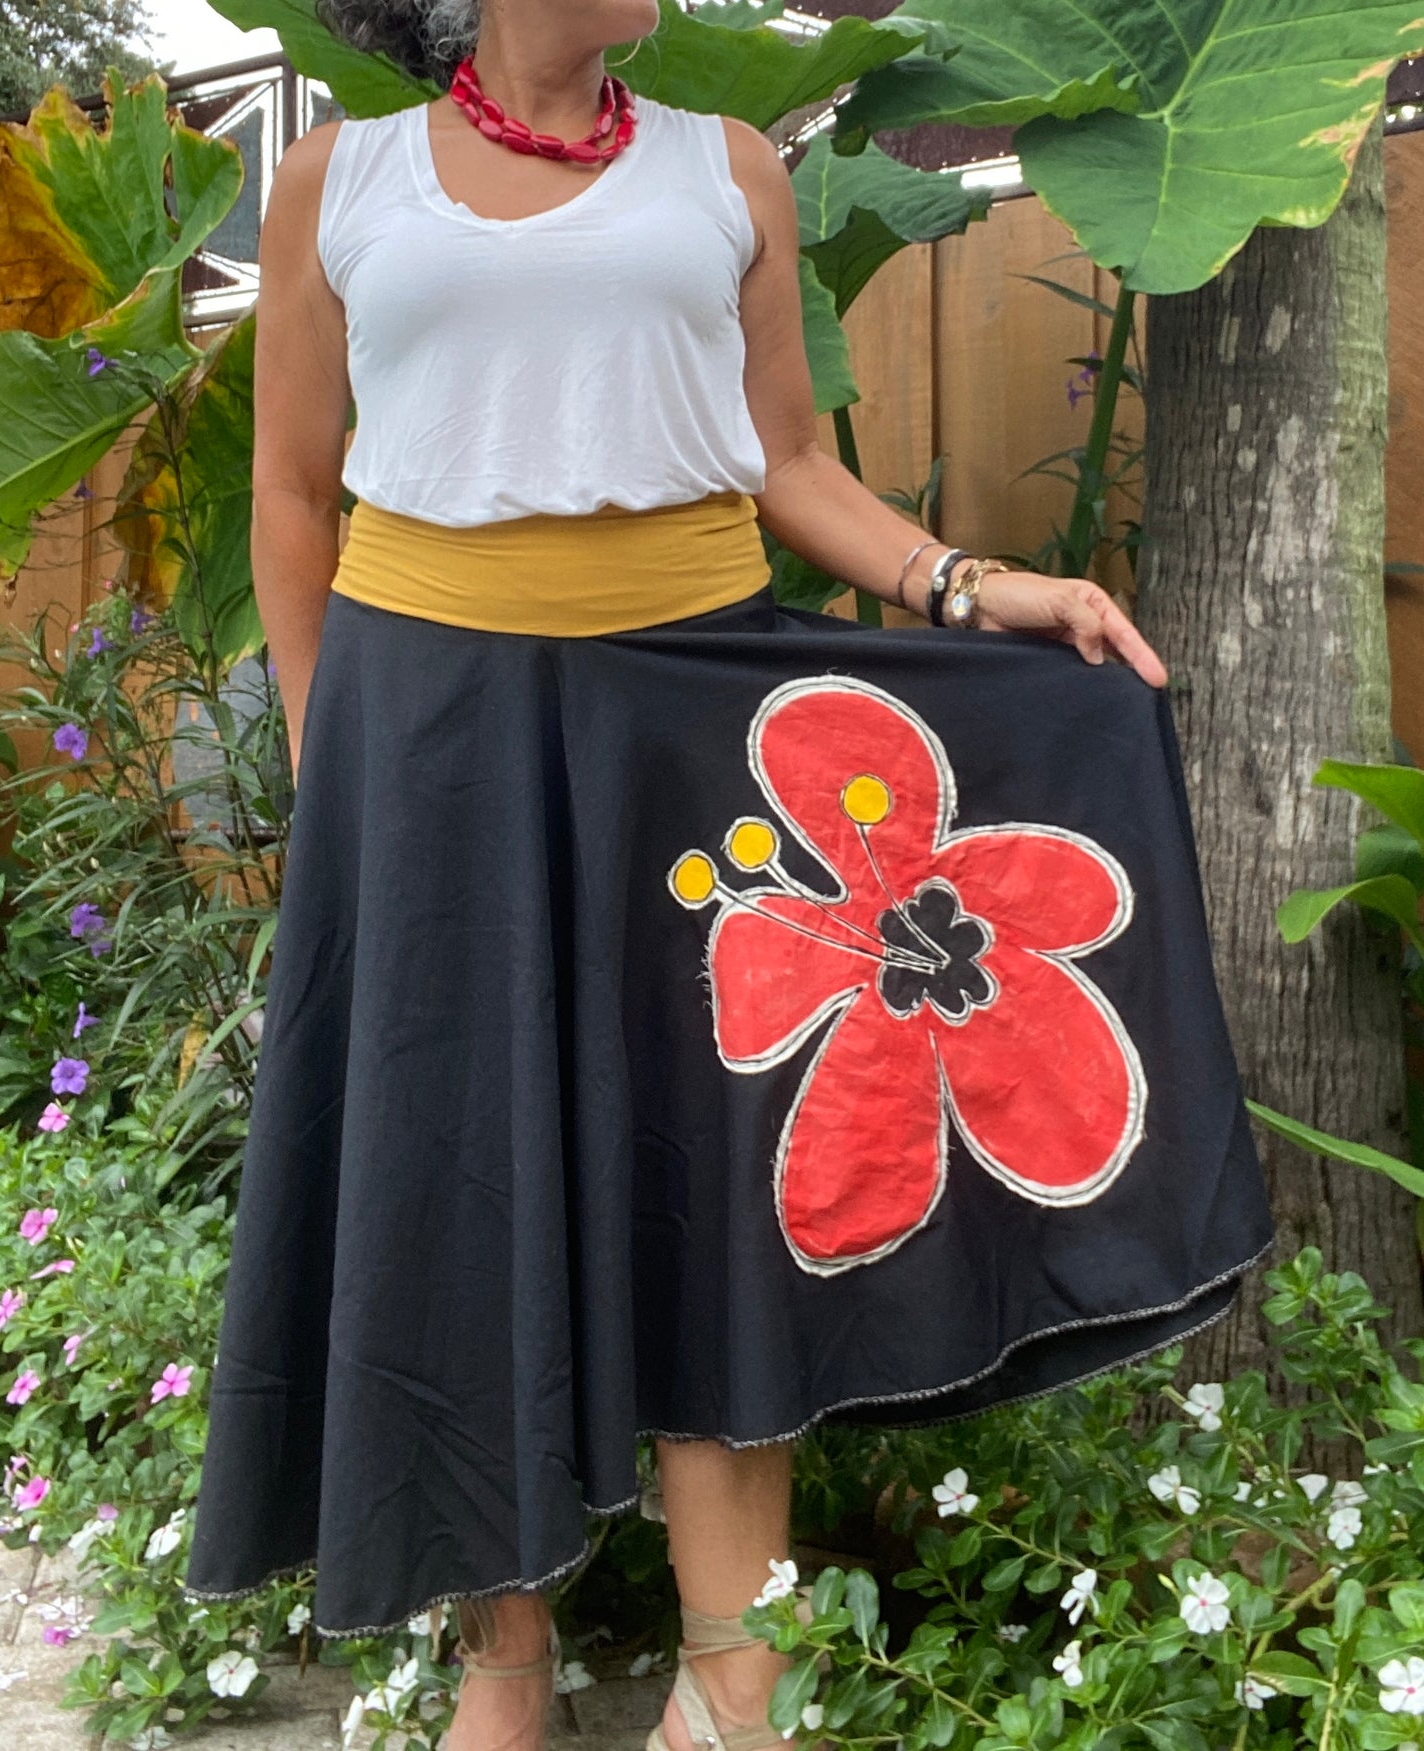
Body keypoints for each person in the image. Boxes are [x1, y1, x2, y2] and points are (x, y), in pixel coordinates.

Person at [180, 0, 1275, 1747]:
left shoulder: (727, 171)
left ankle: (732, 1680)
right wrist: (337, 771)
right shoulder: (341, 180)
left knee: (715, 1182)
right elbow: (292, 494)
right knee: (466, 1185)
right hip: (432, 740)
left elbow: (783, 463)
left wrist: (968, 587)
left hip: (683, 735)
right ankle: (504, 1668)